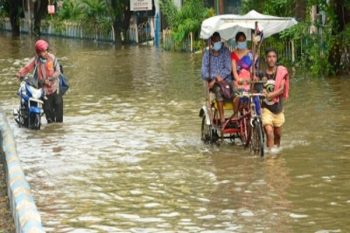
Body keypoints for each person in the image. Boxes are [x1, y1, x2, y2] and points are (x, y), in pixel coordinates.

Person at [16, 39, 63, 123]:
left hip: (55, 89)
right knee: (49, 117)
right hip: (44, 92)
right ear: (38, 53)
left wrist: (50, 79)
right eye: (42, 52)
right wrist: (20, 73)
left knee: (59, 115)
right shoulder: (36, 60)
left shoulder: (52, 58)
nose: (45, 53)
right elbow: (27, 67)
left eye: (46, 51)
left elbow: (58, 71)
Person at [201, 32, 234, 127]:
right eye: (215, 41)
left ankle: (236, 115)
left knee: (237, 90)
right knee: (219, 90)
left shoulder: (225, 51)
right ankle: (222, 117)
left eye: (218, 40)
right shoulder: (207, 55)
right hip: (213, 84)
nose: (217, 42)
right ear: (211, 42)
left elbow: (228, 69)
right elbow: (204, 72)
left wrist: (217, 78)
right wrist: (215, 77)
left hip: (226, 80)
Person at [261, 48, 289, 153]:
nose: (271, 59)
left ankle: (276, 157)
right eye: (269, 57)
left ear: (276, 58)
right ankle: (271, 160)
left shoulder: (281, 72)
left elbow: (282, 89)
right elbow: (259, 87)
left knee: (278, 135)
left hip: (278, 109)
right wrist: (262, 91)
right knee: (269, 132)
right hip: (266, 109)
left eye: (273, 57)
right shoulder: (262, 74)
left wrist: (270, 95)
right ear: (266, 59)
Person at [231, 32, 254, 118]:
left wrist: (250, 78)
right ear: (236, 42)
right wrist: (238, 80)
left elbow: (252, 69)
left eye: (243, 40)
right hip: (238, 80)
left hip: (249, 80)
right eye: (240, 40)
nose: (242, 42)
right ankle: (236, 116)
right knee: (236, 96)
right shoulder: (233, 54)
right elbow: (234, 71)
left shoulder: (250, 53)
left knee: (256, 93)